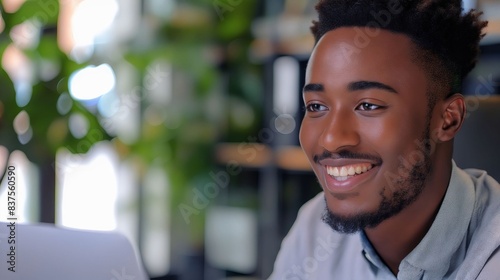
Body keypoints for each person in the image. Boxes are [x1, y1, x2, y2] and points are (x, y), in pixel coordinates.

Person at [269, 0, 500, 279]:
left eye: (368, 105)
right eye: (316, 106)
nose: (331, 139)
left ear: (448, 119)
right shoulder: (313, 230)